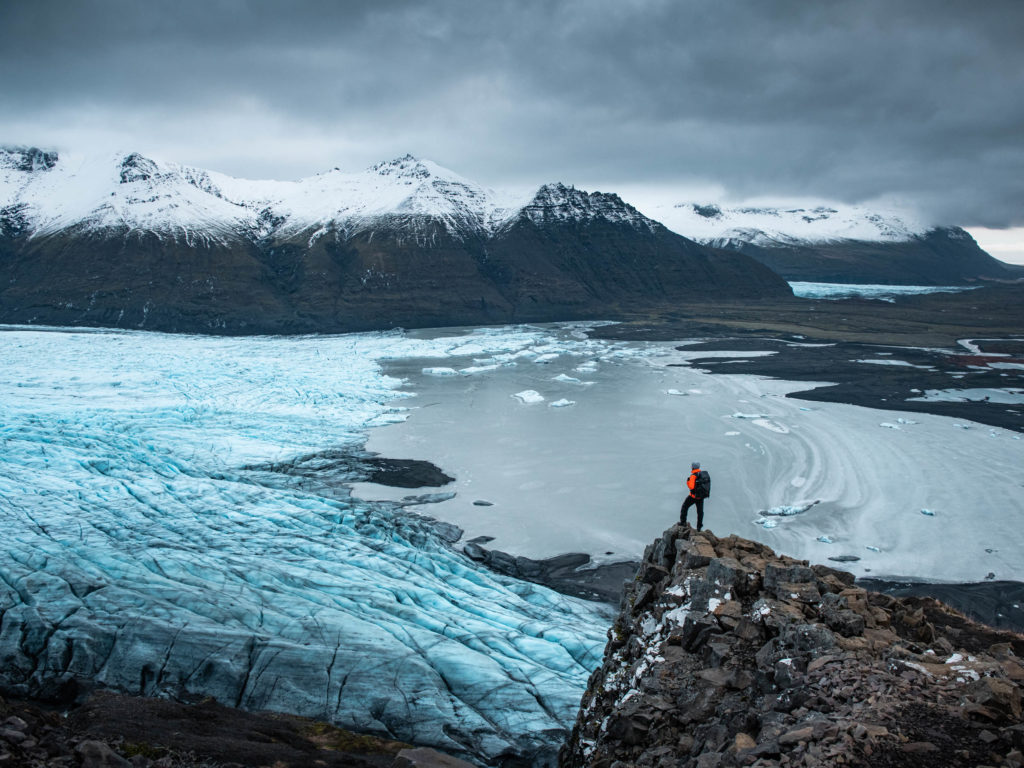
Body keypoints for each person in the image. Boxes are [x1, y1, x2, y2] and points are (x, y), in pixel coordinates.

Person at [680, 461, 710, 531]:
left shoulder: (693, 475)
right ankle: (699, 527)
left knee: (684, 507)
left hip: (693, 497)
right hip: (701, 497)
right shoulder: (701, 474)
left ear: (693, 467)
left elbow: (691, 487)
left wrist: (688, 481)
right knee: (700, 512)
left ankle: (683, 522)